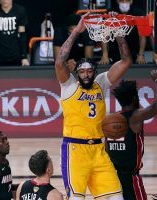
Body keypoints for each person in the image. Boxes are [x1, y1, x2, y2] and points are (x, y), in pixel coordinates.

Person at [54, 12, 133, 200]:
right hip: (75, 150)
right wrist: (76, 32)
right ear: (77, 73)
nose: (86, 74)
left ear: (95, 71)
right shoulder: (69, 85)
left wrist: (118, 30)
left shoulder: (101, 83)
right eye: (82, 71)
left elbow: (127, 61)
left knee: (116, 197)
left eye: (90, 71)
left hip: (99, 151)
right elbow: (59, 61)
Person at [105, 69, 157, 200]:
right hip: (130, 180)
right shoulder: (135, 117)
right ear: (134, 98)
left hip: (111, 179)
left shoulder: (111, 120)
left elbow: (106, 149)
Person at [0, 0, 29, 67]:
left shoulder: (20, 10)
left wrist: (24, 57)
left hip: (16, 55)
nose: (4, 0)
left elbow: (22, 35)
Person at [109, 0, 147, 64]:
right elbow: (105, 36)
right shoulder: (111, 12)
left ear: (131, 1)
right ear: (117, 1)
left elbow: (142, 35)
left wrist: (141, 55)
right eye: (122, 1)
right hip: (114, 51)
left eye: (127, 0)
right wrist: (104, 55)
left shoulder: (139, 13)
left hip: (133, 51)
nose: (124, 3)